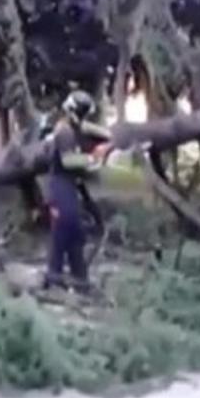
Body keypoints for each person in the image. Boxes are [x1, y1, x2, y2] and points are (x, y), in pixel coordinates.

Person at [43, 90, 112, 293]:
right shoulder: (64, 132)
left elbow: (100, 132)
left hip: (68, 185)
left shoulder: (74, 126)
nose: (84, 119)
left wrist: (106, 139)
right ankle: (53, 278)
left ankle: (79, 278)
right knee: (62, 229)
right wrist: (93, 158)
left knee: (75, 231)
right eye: (83, 114)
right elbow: (68, 160)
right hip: (59, 186)